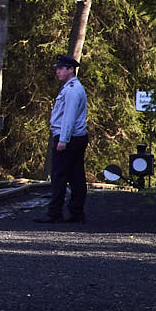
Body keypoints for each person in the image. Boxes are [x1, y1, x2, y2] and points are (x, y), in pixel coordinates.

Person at [47, 52, 90, 223]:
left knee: (60, 175)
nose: (57, 72)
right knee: (76, 175)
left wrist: (63, 140)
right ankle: (76, 213)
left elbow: (69, 117)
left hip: (69, 139)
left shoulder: (72, 91)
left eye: (61, 69)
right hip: (76, 138)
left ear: (71, 70)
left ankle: (55, 213)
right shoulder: (72, 88)